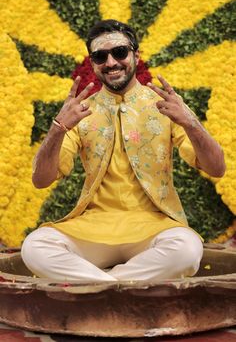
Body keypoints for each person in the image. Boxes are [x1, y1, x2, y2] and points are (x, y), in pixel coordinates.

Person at [21, 19, 225, 283]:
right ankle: (122, 285)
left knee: (186, 250)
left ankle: (97, 284)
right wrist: (58, 128)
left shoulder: (165, 106)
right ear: (93, 63)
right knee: (35, 247)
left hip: (154, 226)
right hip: (93, 227)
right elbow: (41, 180)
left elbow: (216, 168)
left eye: (119, 52)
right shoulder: (80, 112)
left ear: (135, 55)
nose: (111, 62)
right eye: (100, 56)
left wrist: (191, 123)